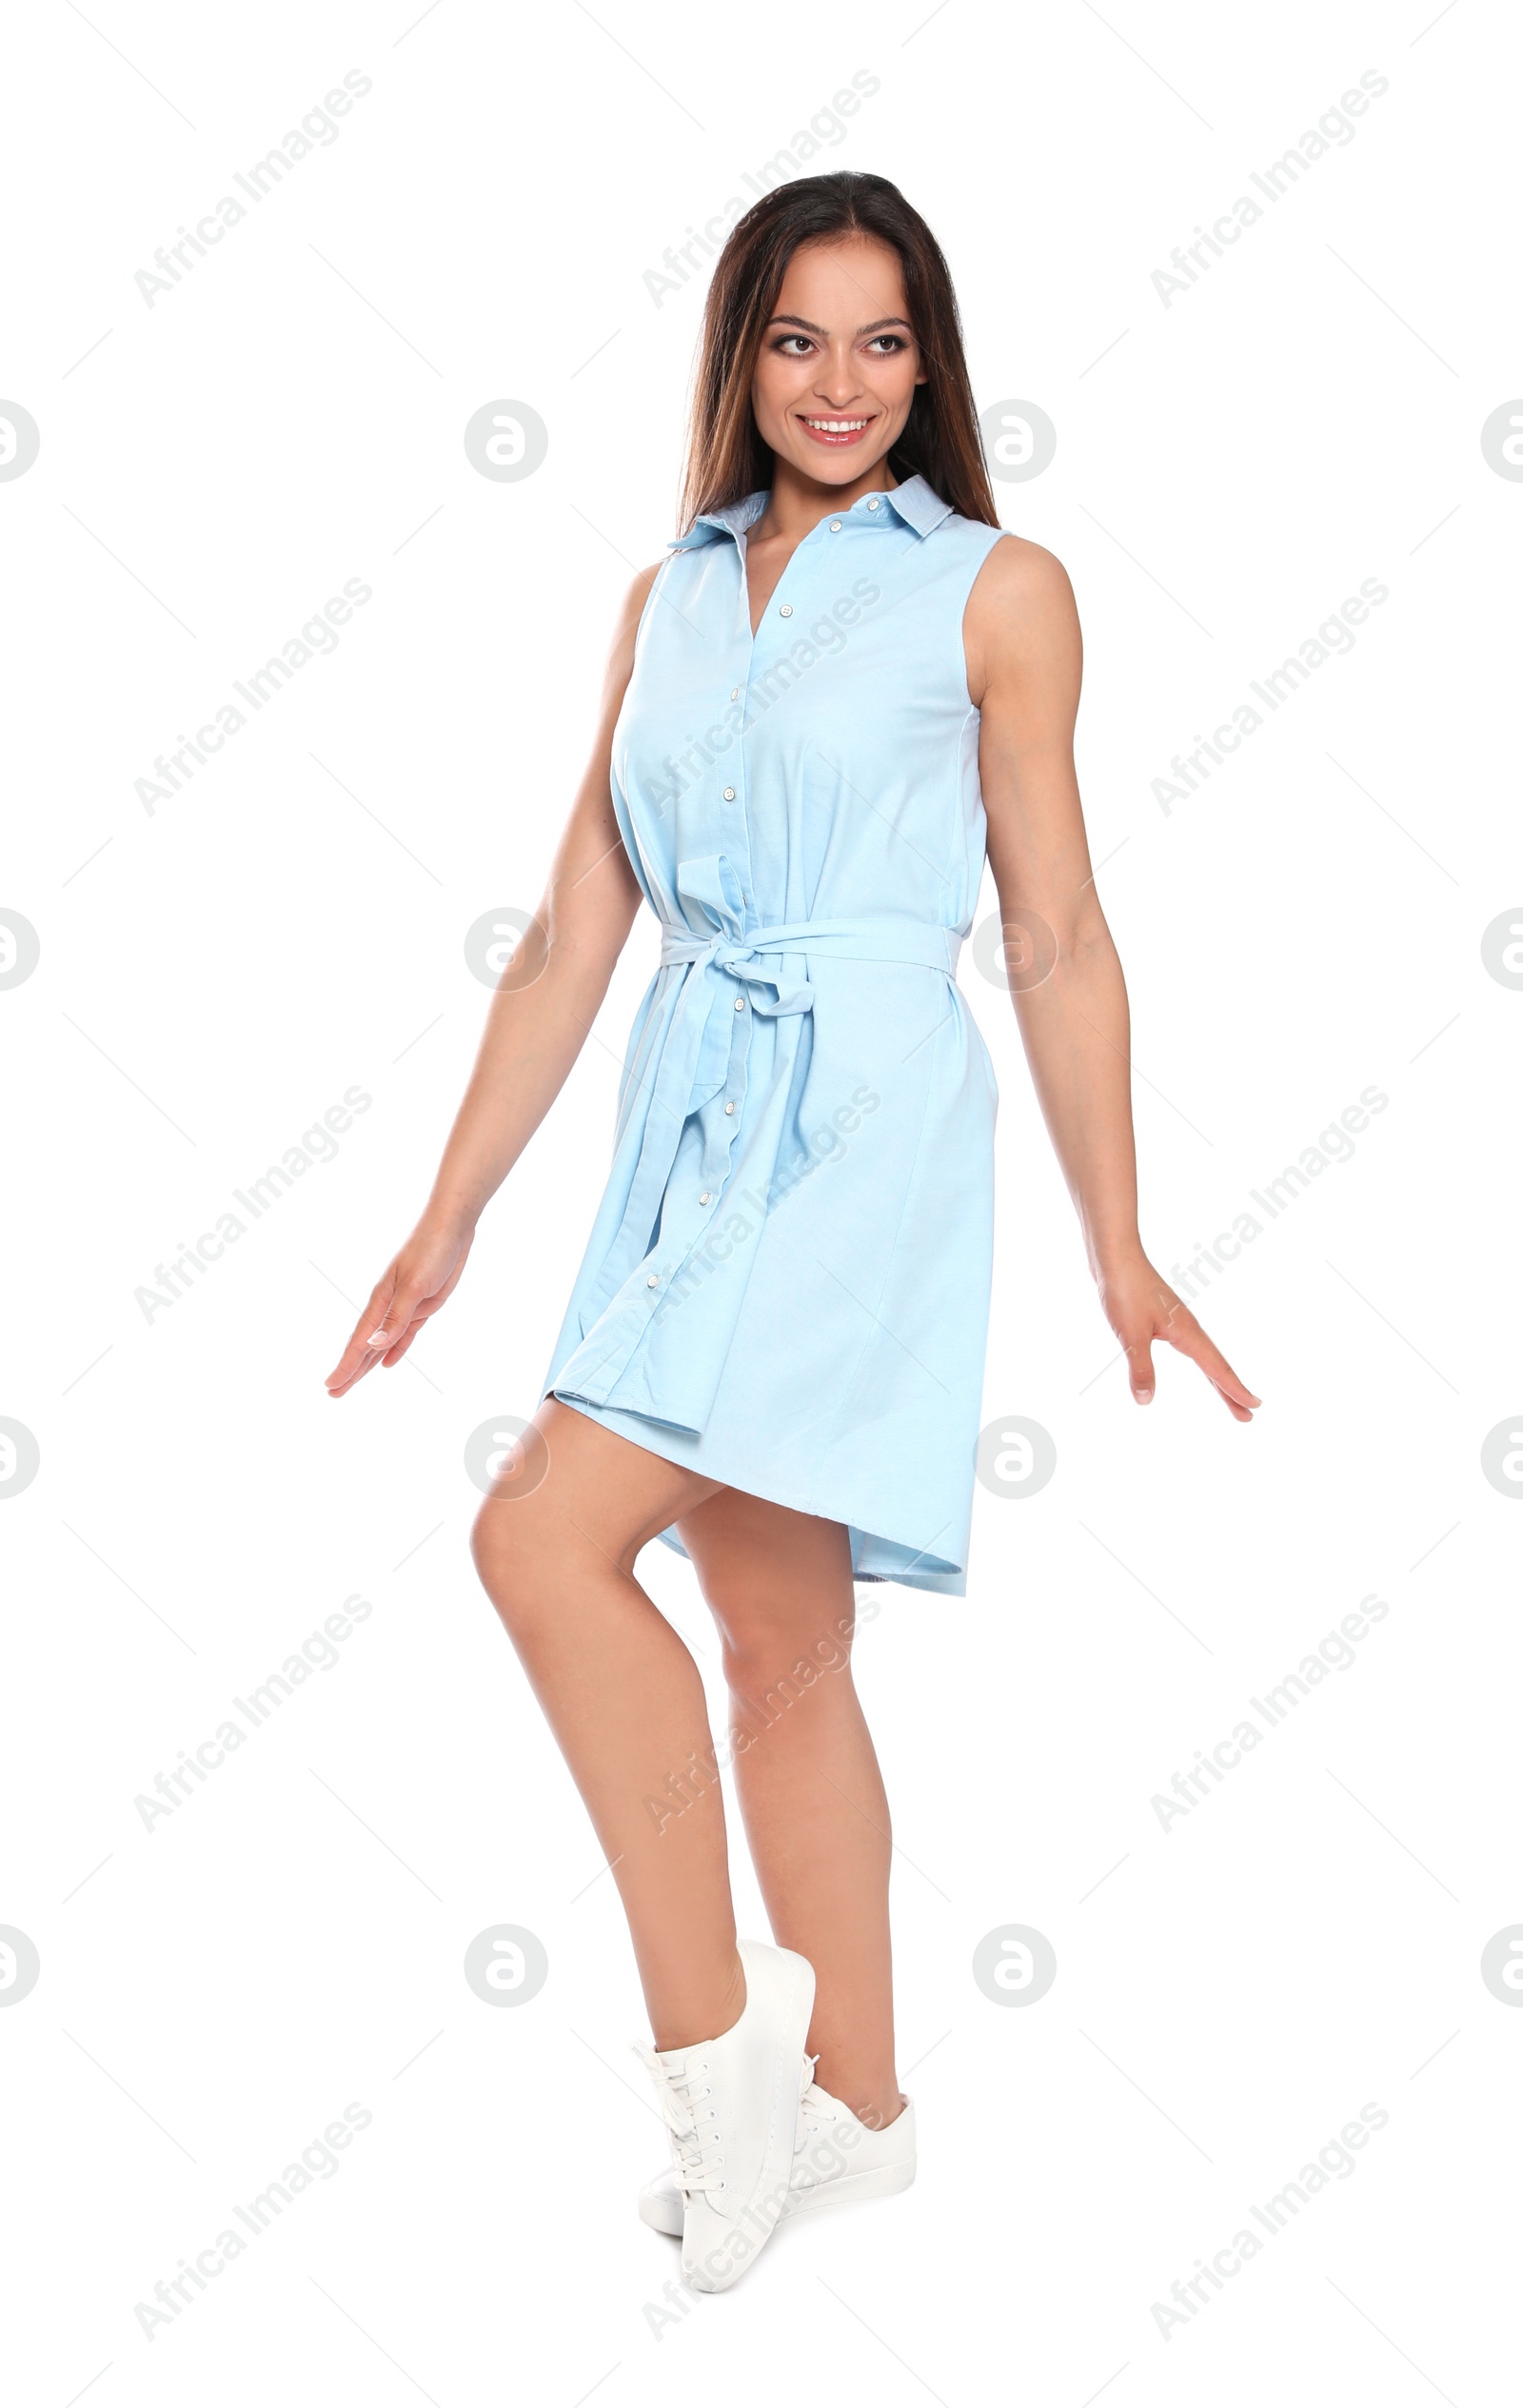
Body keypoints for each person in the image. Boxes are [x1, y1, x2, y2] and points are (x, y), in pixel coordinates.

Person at [325, 170, 1258, 2294]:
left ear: (929, 365)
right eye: (794, 339)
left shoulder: (995, 589)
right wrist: (447, 1209)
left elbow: (1057, 928)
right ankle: (858, 2103)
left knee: (537, 1531)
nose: (838, 384)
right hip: (690, 1114)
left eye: (881, 341)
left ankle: (711, 2054)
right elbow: (576, 922)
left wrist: (1119, 1236)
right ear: (737, 356)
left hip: (859, 1129)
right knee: (777, 1634)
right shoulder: (660, 599)